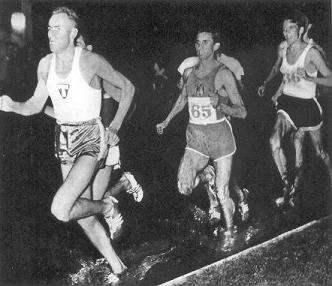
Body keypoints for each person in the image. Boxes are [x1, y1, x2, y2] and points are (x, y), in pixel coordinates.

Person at [0, 7, 134, 281]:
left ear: (73, 33)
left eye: (57, 28)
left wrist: (116, 126)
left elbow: (128, 88)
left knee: (61, 208)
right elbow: (36, 106)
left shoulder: (90, 61)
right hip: (64, 139)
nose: (50, 33)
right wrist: (14, 106)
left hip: (91, 137)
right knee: (81, 213)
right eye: (49, 28)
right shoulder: (45, 64)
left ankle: (109, 206)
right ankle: (119, 268)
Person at [156, 27, 247, 248]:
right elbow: (182, 99)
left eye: (205, 42)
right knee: (183, 187)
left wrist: (221, 104)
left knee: (222, 191)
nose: (199, 46)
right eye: (197, 42)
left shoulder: (224, 73)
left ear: (216, 46)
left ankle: (231, 231)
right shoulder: (190, 73)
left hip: (219, 138)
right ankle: (207, 175)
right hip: (196, 138)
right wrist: (167, 120)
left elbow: (242, 111)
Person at [268, 10, 332, 208]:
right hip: (287, 103)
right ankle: (288, 187)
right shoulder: (284, 49)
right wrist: (279, 92)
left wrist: (311, 78)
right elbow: (286, 75)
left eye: (291, 28)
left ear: (301, 29)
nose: (286, 33)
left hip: (307, 106)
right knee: (274, 140)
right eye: (284, 29)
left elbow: (330, 78)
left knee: (319, 151)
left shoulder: (311, 52)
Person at [176, 54, 250, 223]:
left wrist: (221, 97)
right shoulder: (192, 69)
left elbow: (239, 94)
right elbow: (184, 91)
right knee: (201, 173)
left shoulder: (226, 67)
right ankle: (213, 203)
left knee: (225, 180)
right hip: (199, 132)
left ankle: (241, 197)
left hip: (221, 132)